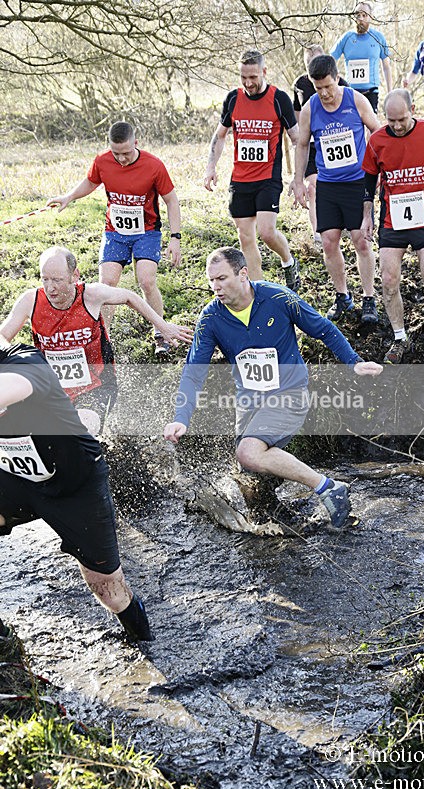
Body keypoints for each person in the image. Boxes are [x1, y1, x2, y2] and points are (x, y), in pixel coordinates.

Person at [163, 247, 383, 529]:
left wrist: (353, 361)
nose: (215, 287)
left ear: (243, 274)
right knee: (248, 473)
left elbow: (324, 328)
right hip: (249, 402)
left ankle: (328, 488)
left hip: (289, 393)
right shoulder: (211, 318)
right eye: (211, 281)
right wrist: (181, 418)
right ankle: (279, 522)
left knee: (249, 452)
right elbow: (194, 373)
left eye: (222, 278)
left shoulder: (277, 297)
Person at [0, 336, 153, 643]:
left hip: (75, 484)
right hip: (13, 477)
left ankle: (143, 642)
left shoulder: (25, 362)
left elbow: (10, 389)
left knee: (109, 591)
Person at [0, 246, 193, 434]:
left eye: (57, 280)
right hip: (52, 388)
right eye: (45, 279)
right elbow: (2, 336)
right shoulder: (31, 300)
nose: (50, 288)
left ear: (74, 275)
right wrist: (16, 361)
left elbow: (129, 297)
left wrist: (163, 327)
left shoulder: (91, 295)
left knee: (82, 429)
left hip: (95, 385)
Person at [47, 121, 182, 355]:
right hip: (115, 232)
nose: (121, 159)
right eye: (116, 153)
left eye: (127, 153)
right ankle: (104, 338)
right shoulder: (102, 161)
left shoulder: (154, 165)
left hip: (146, 232)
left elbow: (171, 200)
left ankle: (161, 333)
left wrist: (175, 237)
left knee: (147, 280)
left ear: (136, 144)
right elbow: (91, 182)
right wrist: (70, 196)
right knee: (107, 283)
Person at [361, 89, 424, 363]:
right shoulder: (377, 140)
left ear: (413, 109)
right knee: (389, 279)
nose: (396, 126)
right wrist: (367, 215)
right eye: (391, 120)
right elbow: (369, 180)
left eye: (402, 119)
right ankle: (399, 336)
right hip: (392, 221)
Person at [292, 54, 380, 324]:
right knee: (329, 242)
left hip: (356, 182)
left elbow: (377, 132)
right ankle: (342, 296)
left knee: (360, 240)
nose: (325, 93)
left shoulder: (356, 100)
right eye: (319, 88)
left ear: (337, 78)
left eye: (328, 86)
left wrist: (383, 172)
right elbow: (303, 144)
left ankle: (369, 298)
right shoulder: (310, 108)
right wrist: (298, 180)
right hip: (328, 184)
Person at [204, 50, 301, 290]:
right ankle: (258, 289)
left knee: (267, 232)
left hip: (268, 177)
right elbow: (220, 135)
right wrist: (210, 167)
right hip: (240, 179)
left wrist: (299, 177)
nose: (248, 83)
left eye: (253, 77)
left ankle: (288, 262)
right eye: (243, 77)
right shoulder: (233, 99)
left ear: (264, 72)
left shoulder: (279, 98)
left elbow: (297, 139)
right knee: (245, 237)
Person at [292, 44, 350, 245]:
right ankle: (318, 235)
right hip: (313, 143)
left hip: (337, 141)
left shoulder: (343, 84)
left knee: (341, 186)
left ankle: (346, 225)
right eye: (309, 64)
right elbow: (297, 115)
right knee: (313, 188)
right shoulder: (300, 84)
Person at [330, 2, 392, 113]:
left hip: (371, 92)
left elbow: (386, 66)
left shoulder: (378, 38)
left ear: (370, 17)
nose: (361, 18)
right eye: (357, 15)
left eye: (364, 15)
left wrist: (390, 93)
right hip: (350, 93)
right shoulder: (346, 38)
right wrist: (335, 81)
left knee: (372, 128)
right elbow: (331, 60)